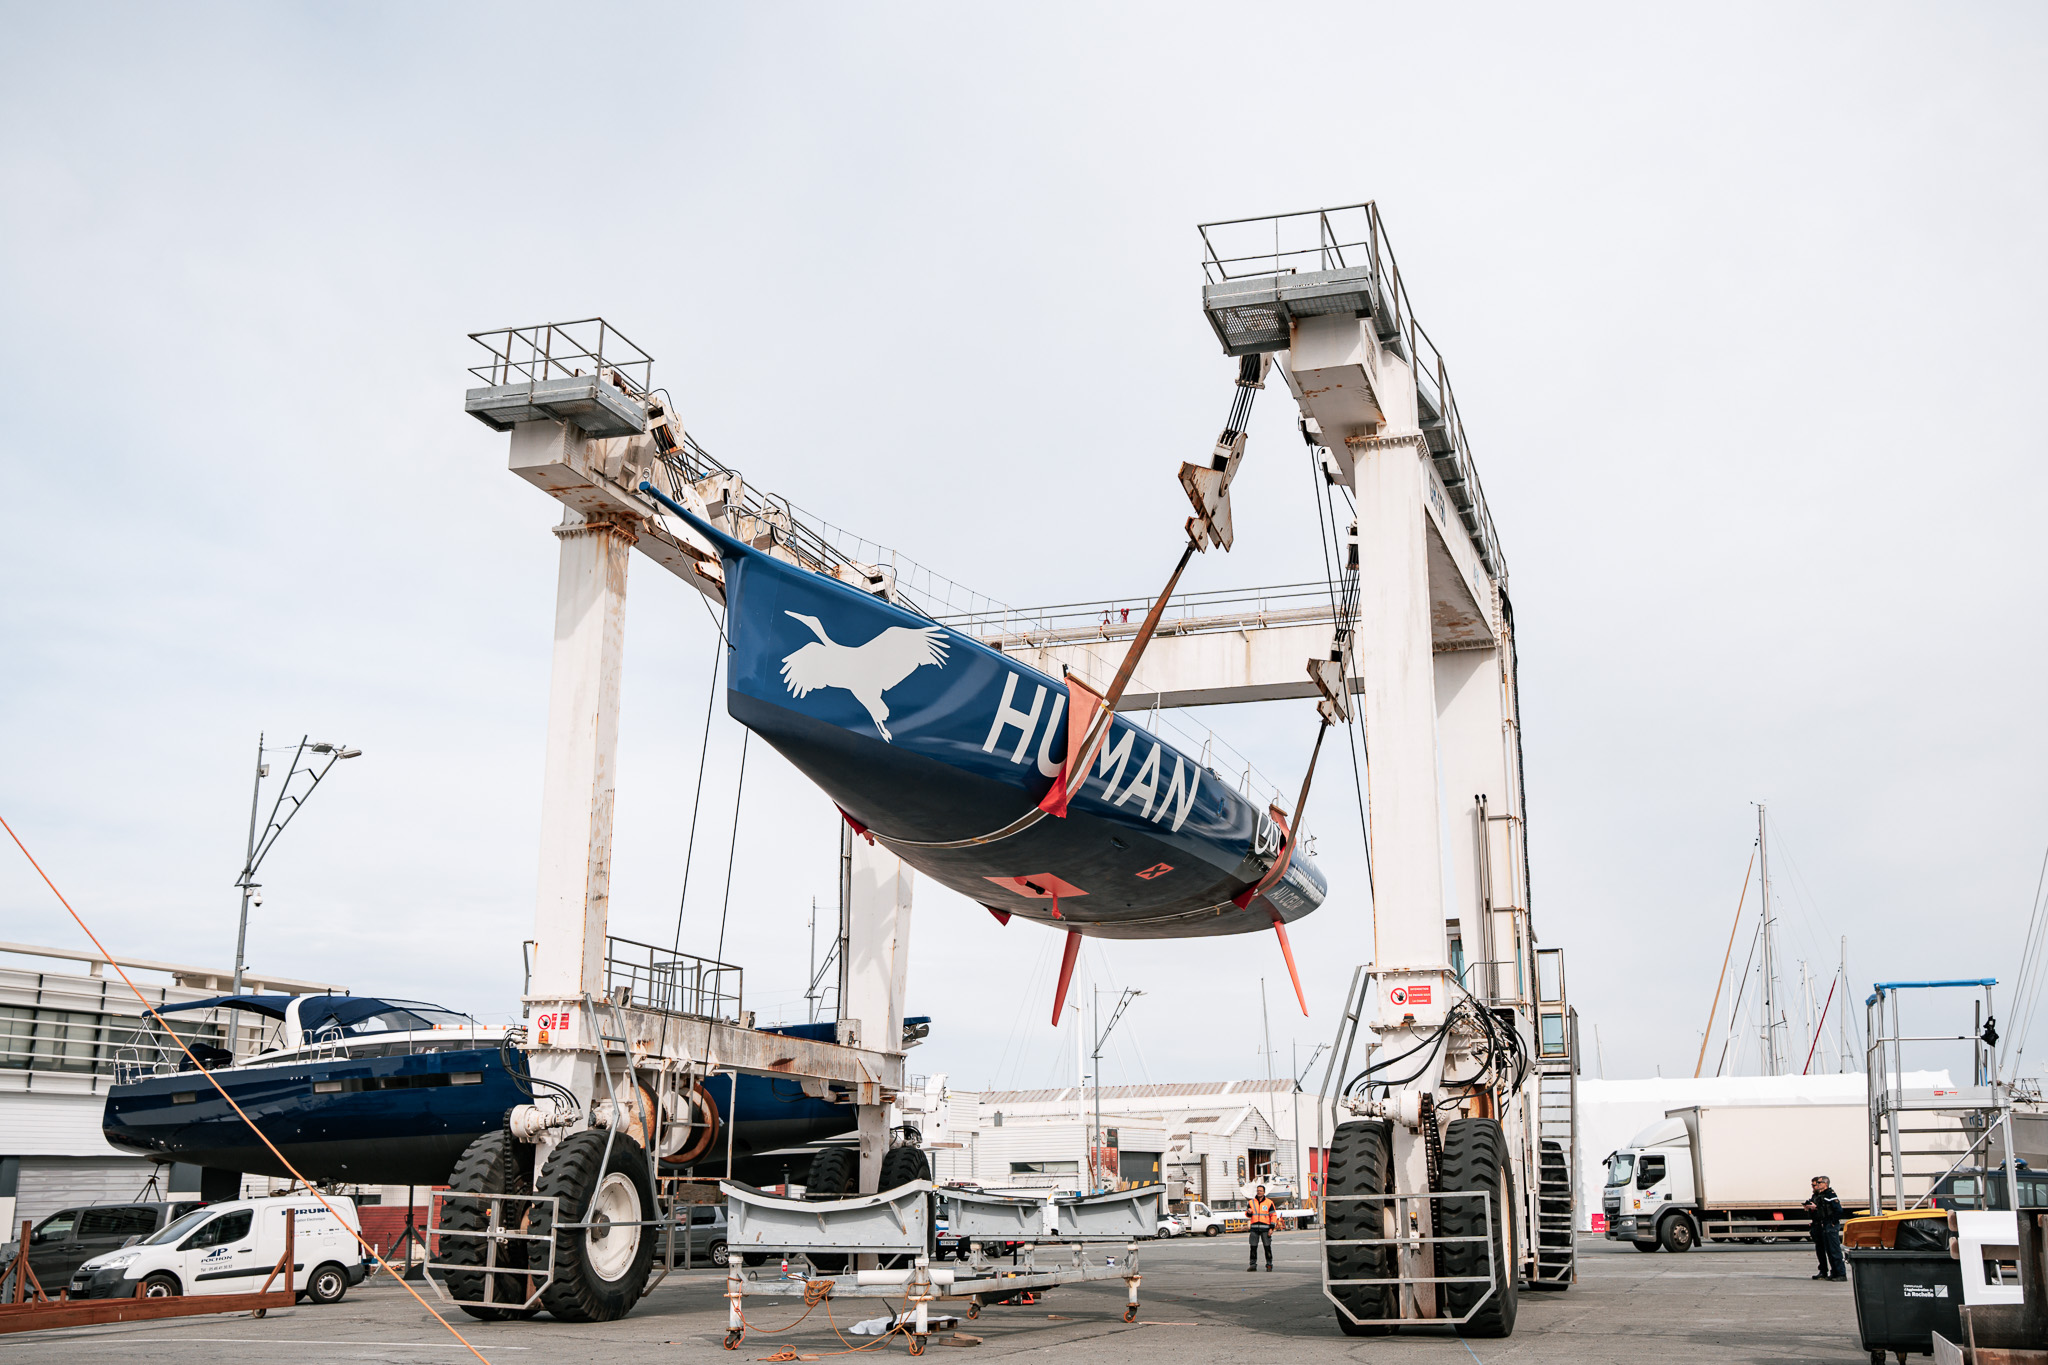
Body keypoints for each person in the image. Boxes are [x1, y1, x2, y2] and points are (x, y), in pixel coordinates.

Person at [1803, 1175, 1846, 1281]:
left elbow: (1838, 1210)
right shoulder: (1818, 1195)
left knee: (1834, 1250)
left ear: (1825, 1184)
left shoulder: (1830, 1194)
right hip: (1819, 1224)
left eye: (1819, 1183)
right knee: (1823, 1249)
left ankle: (1840, 1273)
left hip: (1828, 1224)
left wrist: (1832, 1222)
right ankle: (1831, 1272)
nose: (1817, 1185)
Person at [1246, 1184, 1279, 1271]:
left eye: (1260, 1191)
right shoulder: (1251, 1202)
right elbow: (1248, 1215)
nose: (1259, 1192)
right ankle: (1252, 1265)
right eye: (1258, 1190)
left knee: (1267, 1247)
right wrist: (1249, 1212)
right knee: (1253, 1247)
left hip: (1265, 1229)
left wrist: (1271, 1228)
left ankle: (1269, 1265)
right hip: (1254, 1228)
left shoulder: (1269, 1202)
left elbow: (1273, 1215)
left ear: (1264, 1192)